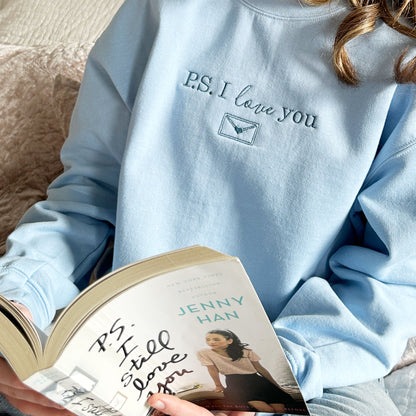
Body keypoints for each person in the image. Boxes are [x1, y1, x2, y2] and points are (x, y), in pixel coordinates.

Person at [0, 0, 416, 415]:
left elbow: (386, 286)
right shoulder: (160, 8)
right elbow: (87, 198)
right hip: (120, 347)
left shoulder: (405, 56)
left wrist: (246, 388)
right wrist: (18, 299)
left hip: (304, 368)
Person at [197, 329, 297, 413]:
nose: (211, 342)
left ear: (230, 341)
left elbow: (260, 369)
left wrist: (277, 386)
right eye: (208, 339)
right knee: (267, 410)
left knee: (279, 410)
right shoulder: (205, 353)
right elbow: (212, 369)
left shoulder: (245, 351)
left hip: (258, 381)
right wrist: (218, 385)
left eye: (216, 339)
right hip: (237, 384)